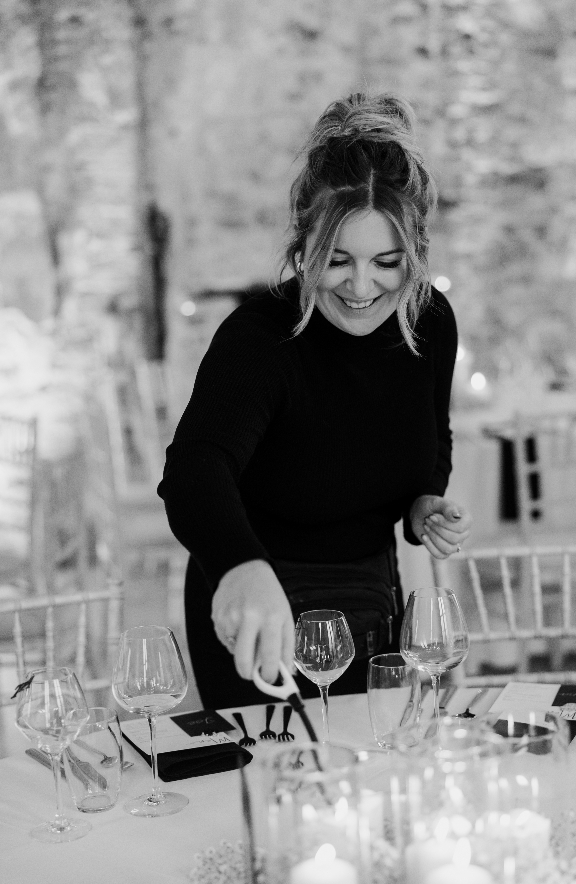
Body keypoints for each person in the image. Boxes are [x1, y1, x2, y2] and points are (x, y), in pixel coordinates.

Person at [158, 91, 472, 710]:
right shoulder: (261, 337)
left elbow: (435, 435)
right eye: (336, 260)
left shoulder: (430, 323)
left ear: (416, 254)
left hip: (368, 592)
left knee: (370, 768)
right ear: (304, 246)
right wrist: (240, 566)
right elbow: (194, 471)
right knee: (271, 781)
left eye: (387, 262)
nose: (361, 287)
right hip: (258, 593)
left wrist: (420, 504)